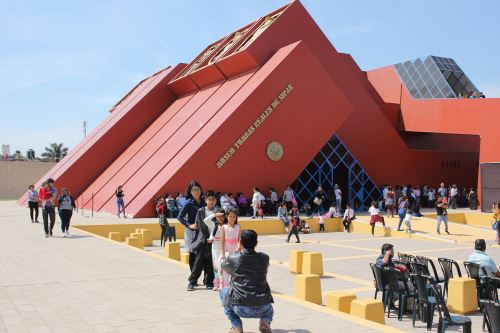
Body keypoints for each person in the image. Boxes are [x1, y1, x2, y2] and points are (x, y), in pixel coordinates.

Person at [220, 230, 274, 333]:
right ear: (256, 243)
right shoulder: (265, 258)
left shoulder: (233, 258)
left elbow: (225, 269)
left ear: (240, 243)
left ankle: (237, 325)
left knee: (223, 292)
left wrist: (236, 252)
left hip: (241, 308)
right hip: (264, 307)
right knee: (270, 310)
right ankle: (265, 322)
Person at [187, 189, 217, 291]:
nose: (211, 201)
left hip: (214, 240)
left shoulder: (218, 211)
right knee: (198, 261)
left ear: (216, 201)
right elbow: (197, 224)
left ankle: (209, 282)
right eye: (209, 199)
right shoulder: (201, 211)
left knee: (210, 262)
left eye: (213, 199)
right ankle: (192, 282)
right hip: (203, 240)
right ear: (206, 200)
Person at [178, 181, 204, 277]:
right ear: (190, 192)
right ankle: (193, 278)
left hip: (202, 232)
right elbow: (179, 217)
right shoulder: (188, 203)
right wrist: (189, 225)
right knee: (192, 253)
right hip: (191, 232)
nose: (196, 191)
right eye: (193, 190)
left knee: (203, 253)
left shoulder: (204, 201)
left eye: (198, 189)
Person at [220, 208, 241, 289]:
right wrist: (222, 252)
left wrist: (238, 248)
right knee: (225, 270)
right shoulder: (224, 227)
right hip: (227, 252)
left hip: (235, 252)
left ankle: (234, 286)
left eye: (234, 217)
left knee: (235, 270)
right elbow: (222, 241)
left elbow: (239, 240)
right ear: (227, 217)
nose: (232, 218)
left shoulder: (238, 226)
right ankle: (225, 286)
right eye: (230, 216)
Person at [208, 208, 226, 291]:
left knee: (223, 265)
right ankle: (216, 283)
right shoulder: (213, 225)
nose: (220, 218)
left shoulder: (227, 225)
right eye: (218, 217)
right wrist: (215, 214)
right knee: (215, 264)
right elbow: (205, 220)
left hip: (225, 247)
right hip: (215, 247)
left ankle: (223, 283)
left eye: (222, 216)